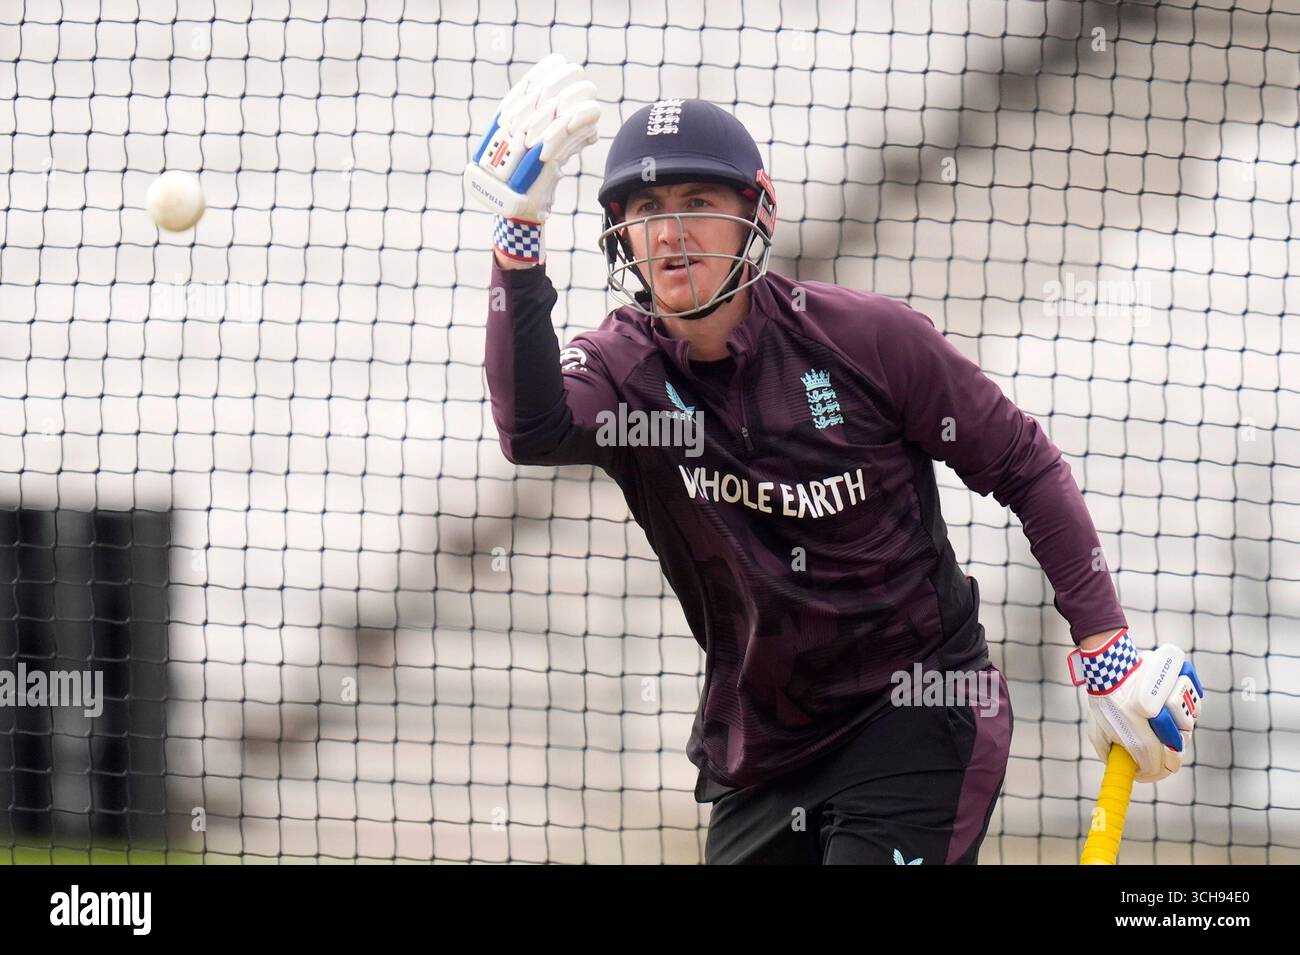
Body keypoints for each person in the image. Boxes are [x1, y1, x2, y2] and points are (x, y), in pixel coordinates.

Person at [463, 53, 1204, 864]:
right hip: (766, 748)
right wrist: (516, 243)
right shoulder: (622, 367)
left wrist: (1105, 643)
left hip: (918, 714)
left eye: (698, 202)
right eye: (645, 208)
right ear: (620, 235)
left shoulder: (866, 340)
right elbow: (531, 431)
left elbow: (1025, 463)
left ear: (759, 213)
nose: (670, 231)